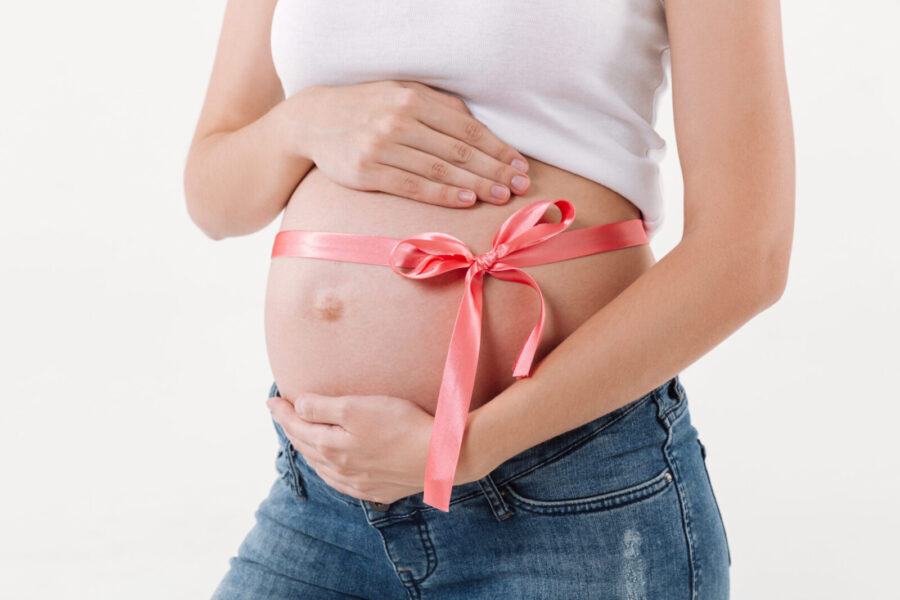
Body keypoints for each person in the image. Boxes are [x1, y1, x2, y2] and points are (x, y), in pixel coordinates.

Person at [184, 0, 794, 598]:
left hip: (571, 507)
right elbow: (213, 197)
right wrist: (302, 124)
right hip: (324, 502)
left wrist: (464, 447)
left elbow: (747, 255)